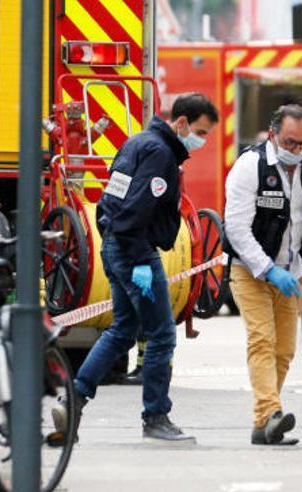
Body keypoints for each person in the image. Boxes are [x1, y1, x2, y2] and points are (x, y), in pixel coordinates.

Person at [54, 93, 219, 443]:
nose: (201, 141)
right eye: (200, 132)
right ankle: (156, 416)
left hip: (118, 246)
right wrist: (138, 259)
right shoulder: (160, 154)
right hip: (135, 251)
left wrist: (114, 243)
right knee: (161, 334)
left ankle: (76, 396)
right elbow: (136, 208)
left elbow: (110, 202)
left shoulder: (137, 143)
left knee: (123, 329)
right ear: (181, 123)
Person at [224, 104, 302, 445]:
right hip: (250, 270)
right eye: (290, 143)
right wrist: (268, 269)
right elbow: (237, 229)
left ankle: (263, 426)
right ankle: (271, 413)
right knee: (262, 340)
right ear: (273, 134)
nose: (297, 151)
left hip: (292, 271)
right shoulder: (249, 167)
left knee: (285, 350)